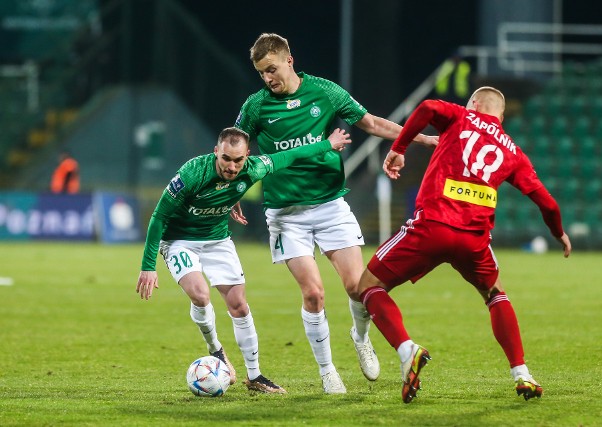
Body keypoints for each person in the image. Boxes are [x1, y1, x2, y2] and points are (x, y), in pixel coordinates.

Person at [234, 33, 439, 394]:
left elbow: (372, 123)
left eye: (272, 69)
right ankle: (328, 370)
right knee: (313, 294)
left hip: (330, 207)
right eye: (261, 73)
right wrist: (231, 187)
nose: (267, 78)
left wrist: (420, 140)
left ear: (289, 60)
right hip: (286, 215)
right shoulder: (255, 106)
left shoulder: (324, 92)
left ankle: (361, 338)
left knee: (359, 289)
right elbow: (235, 145)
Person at [357, 87, 572, 403]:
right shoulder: (512, 151)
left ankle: (407, 350)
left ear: (473, 104)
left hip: (432, 226)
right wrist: (558, 233)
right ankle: (522, 373)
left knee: (368, 286)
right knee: (495, 293)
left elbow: (428, 106)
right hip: (473, 239)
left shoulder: (460, 116)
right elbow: (548, 204)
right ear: (500, 116)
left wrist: (399, 147)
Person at [136, 126, 352, 395]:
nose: (231, 166)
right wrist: (148, 266)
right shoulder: (193, 173)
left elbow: (294, 155)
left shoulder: (256, 167)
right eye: (226, 158)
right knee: (201, 295)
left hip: (217, 241)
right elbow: (159, 216)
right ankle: (216, 349)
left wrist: (328, 144)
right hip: (180, 241)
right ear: (216, 152)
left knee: (239, 305)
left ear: (247, 156)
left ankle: (255, 376)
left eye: (238, 160)